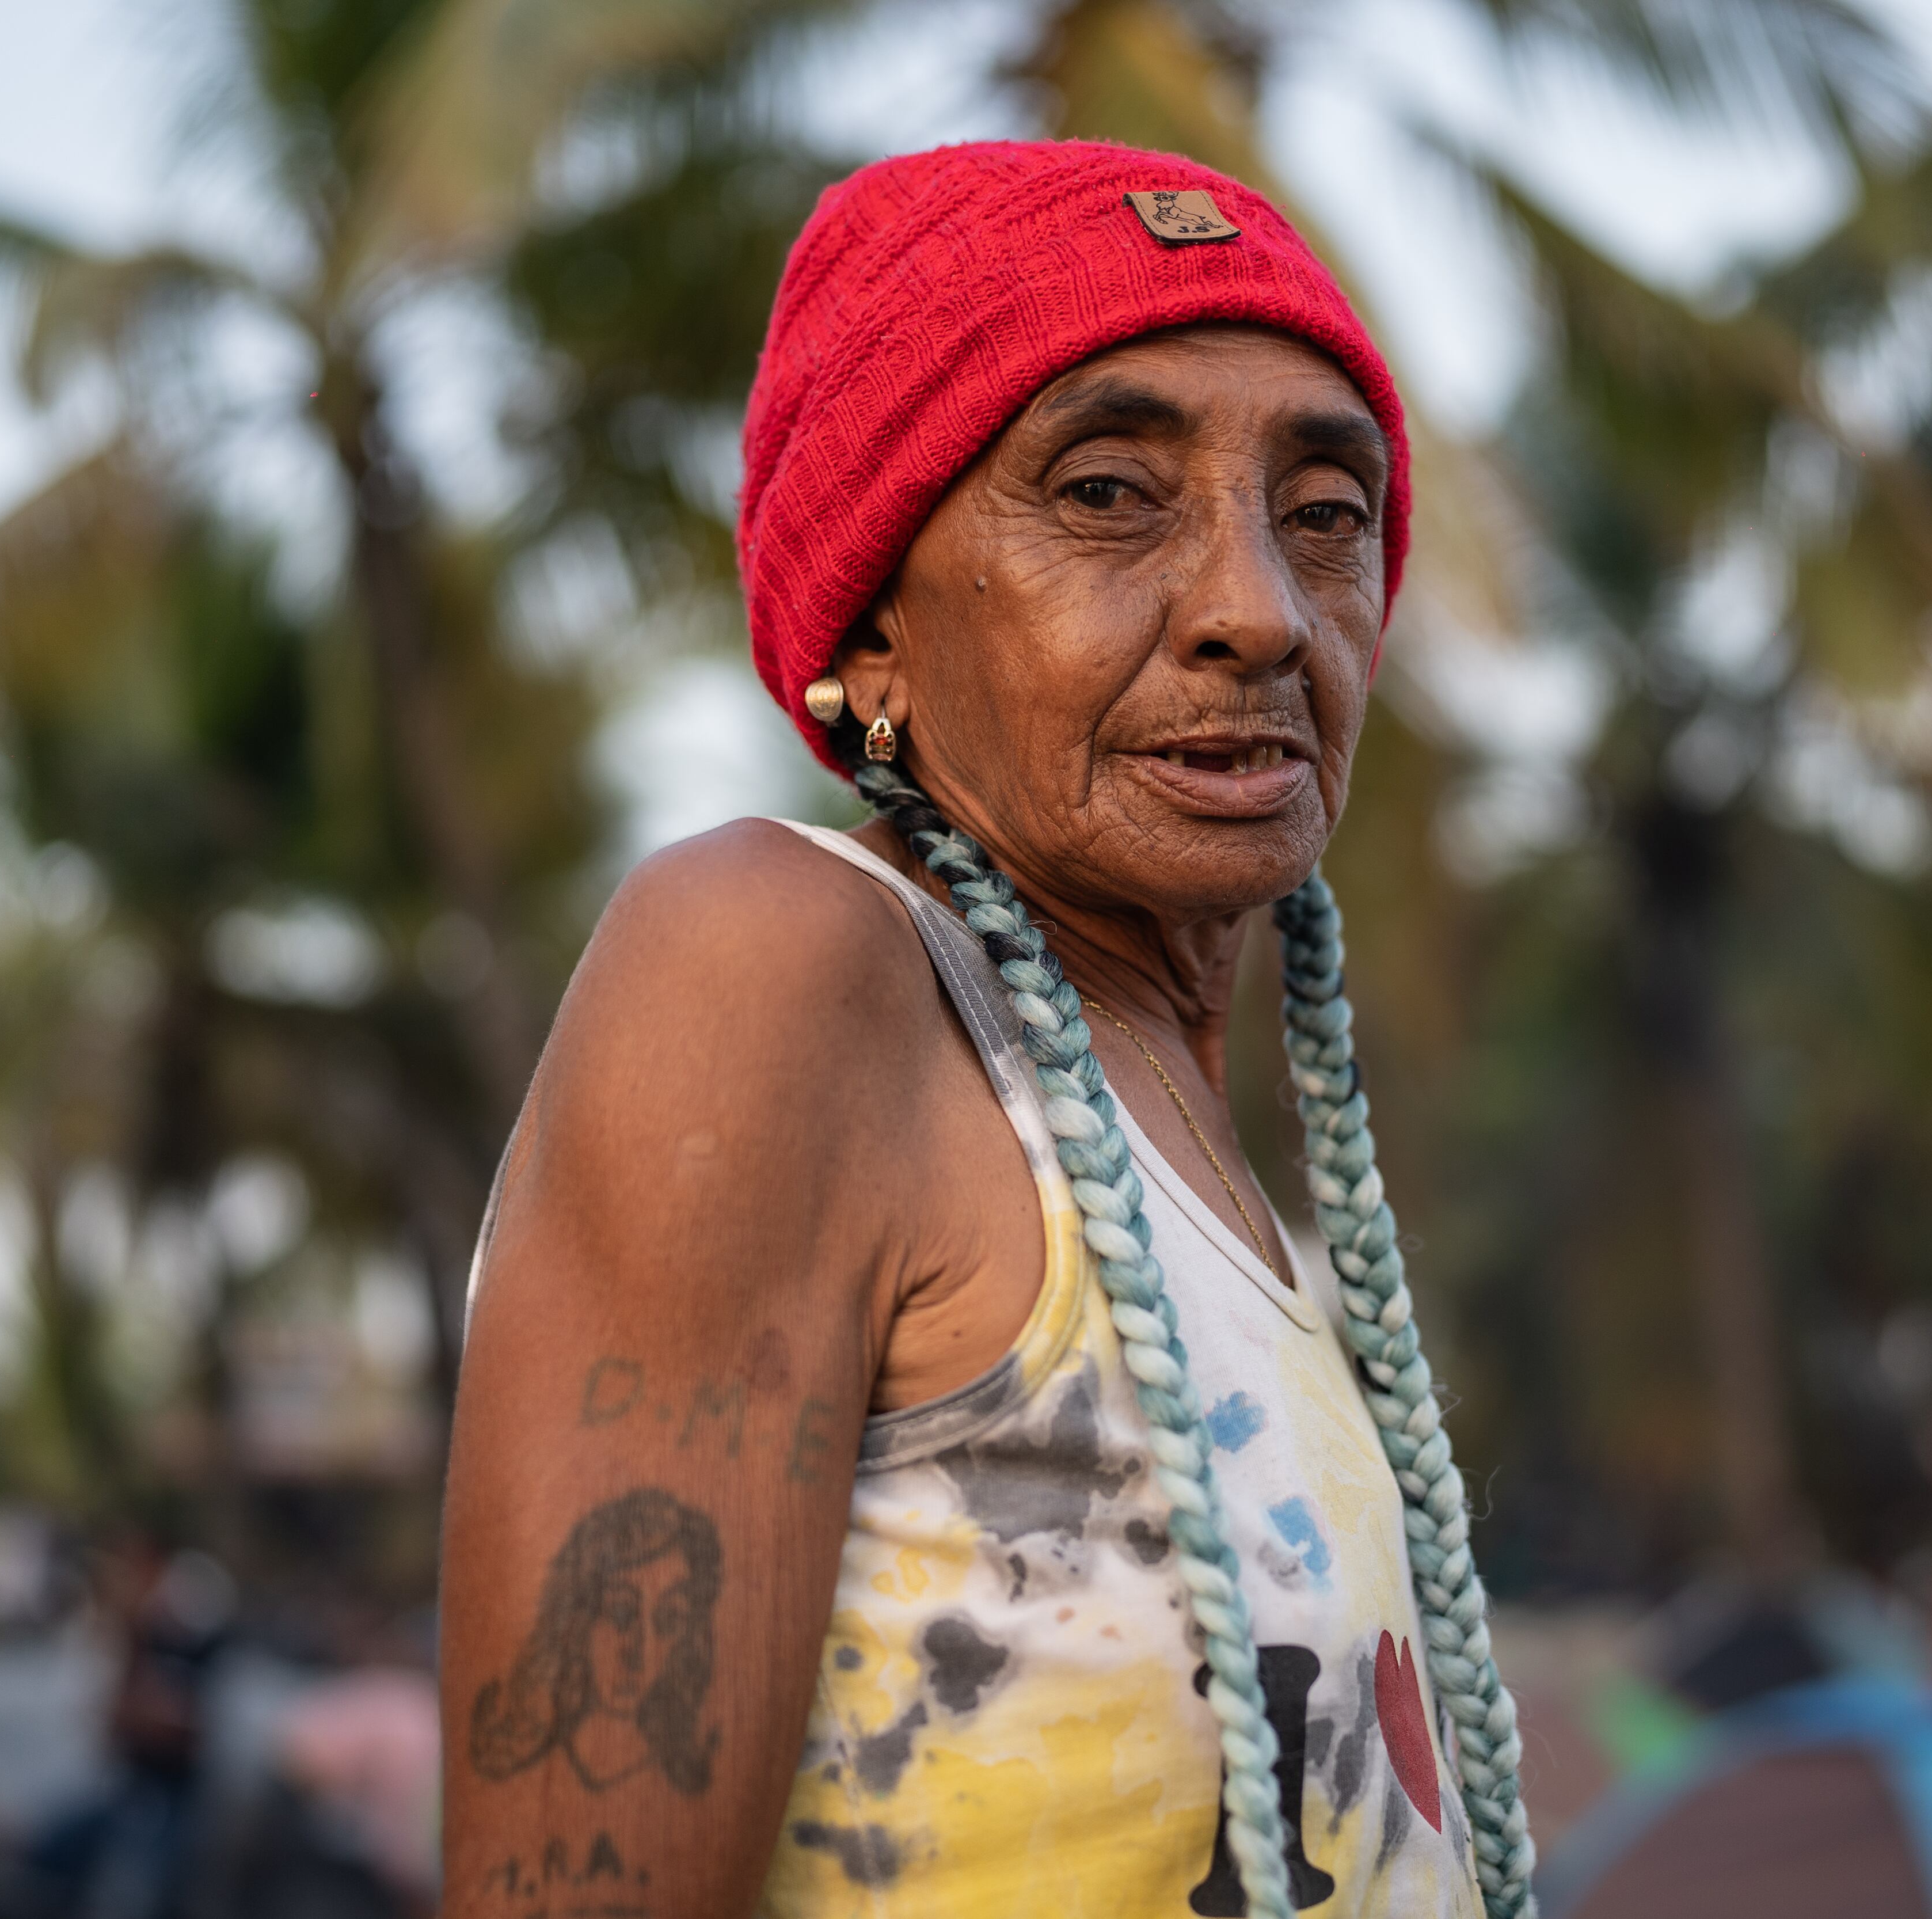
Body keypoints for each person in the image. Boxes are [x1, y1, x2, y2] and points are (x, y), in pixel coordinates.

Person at [438, 142, 1534, 1917]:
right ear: (874, 624)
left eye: (1325, 511)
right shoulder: (776, 960)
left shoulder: (1174, 1121)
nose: (1258, 607)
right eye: (1109, 492)